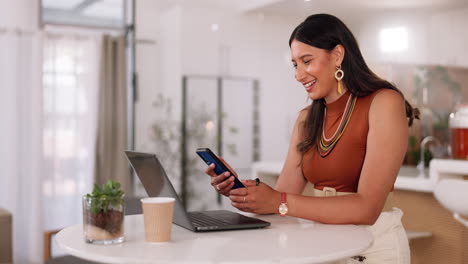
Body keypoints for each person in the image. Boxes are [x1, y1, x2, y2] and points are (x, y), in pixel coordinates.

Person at [205, 14, 418, 264]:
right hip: (324, 247)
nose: (298, 75)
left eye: (307, 61)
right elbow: (281, 200)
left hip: (373, 248)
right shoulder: (307, 119)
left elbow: (367, 209)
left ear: (337, 55)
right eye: (295, 64)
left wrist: (278, 201)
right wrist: (242, 191)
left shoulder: (383, 102)